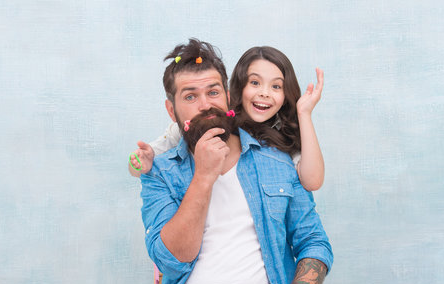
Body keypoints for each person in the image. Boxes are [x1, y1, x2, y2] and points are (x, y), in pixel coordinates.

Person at [120, 38, 333, 284]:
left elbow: (314, 242)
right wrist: (204, 175)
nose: (205, 104)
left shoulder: (278, 162)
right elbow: (171, 258)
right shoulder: (159, 171)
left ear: (229, 97)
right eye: (190, 96)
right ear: (172, 109)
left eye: (213, 92)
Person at [128, 46, 325, 192]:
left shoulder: (281, 133)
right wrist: (139, 165)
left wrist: (304, 114)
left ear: (285, 96)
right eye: (255, 82)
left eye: (276, 86)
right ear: (236, 89)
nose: (264, 93)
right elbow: (144, 159)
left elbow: (313, 181)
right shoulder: (212, 120)